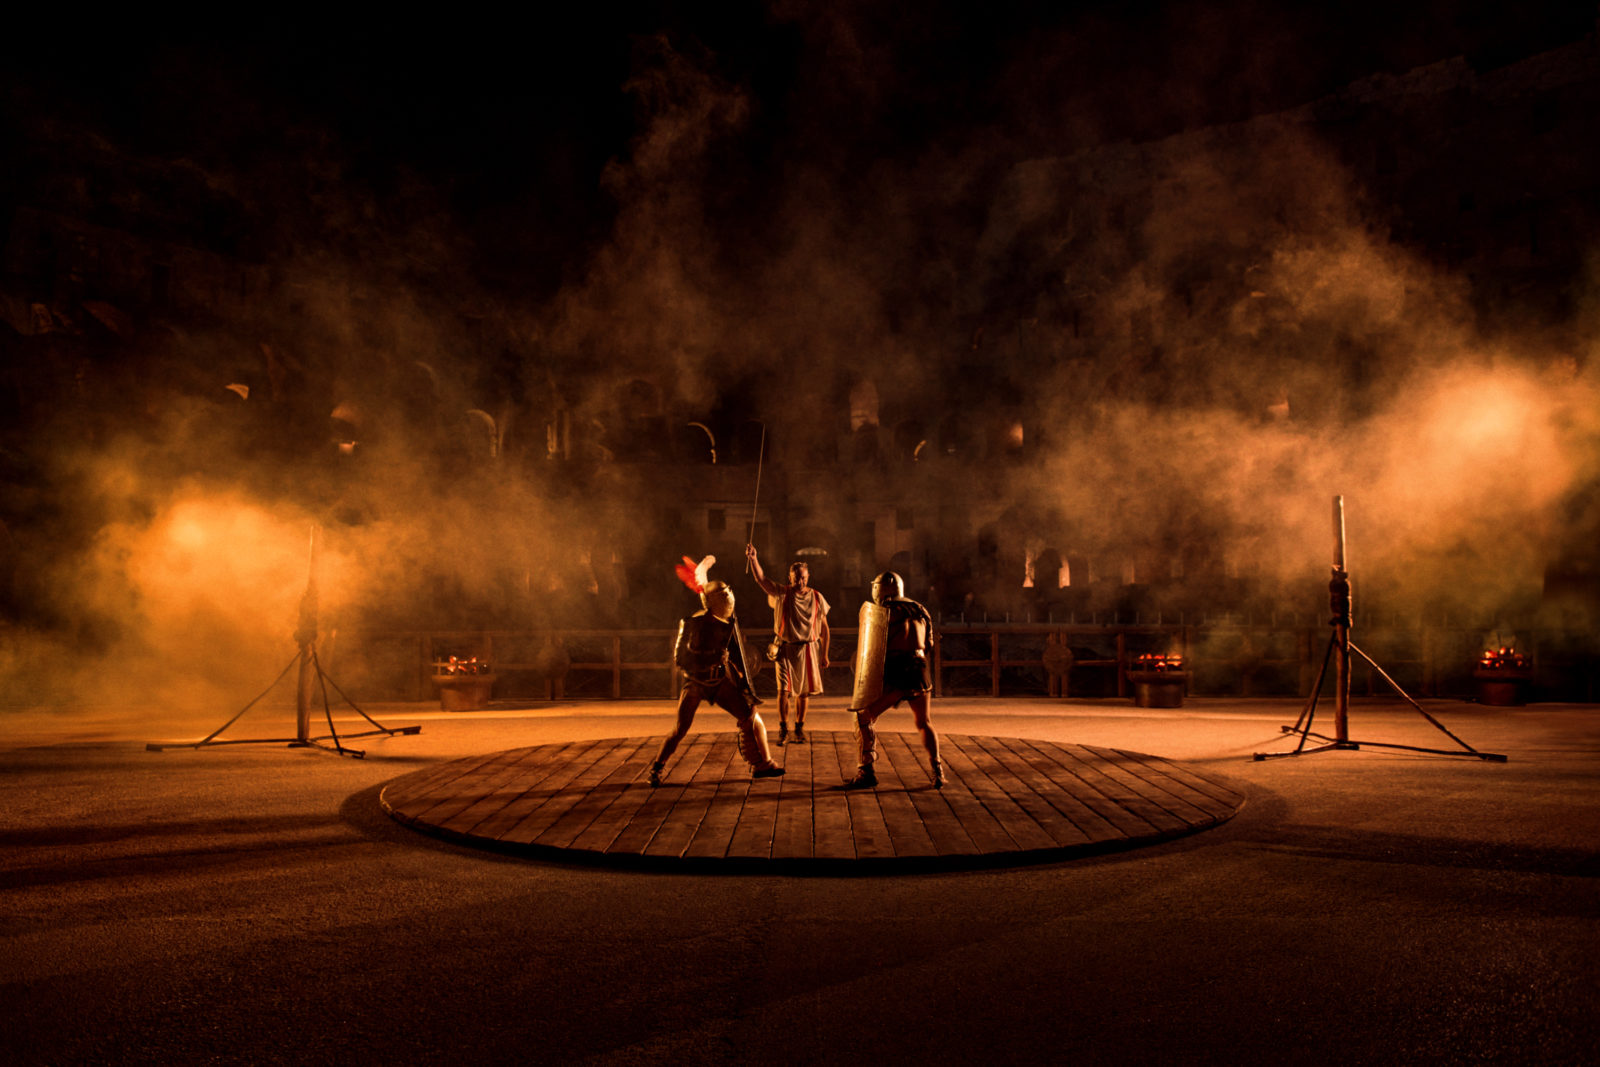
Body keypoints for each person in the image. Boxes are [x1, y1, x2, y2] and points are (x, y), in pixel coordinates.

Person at [649, 572, 785, 787]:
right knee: (680, 729)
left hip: (720, 681)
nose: (728, 596)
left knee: (750, 715)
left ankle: (762, 763)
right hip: (696, 682)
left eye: (728, 591)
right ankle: (657, 767)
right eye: (722, 593)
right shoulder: (692, 623)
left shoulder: (728, 623)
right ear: (711, 600)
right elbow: (680, 659)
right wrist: (711, 658)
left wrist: (742, 682)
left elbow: (736, 655)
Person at [843, 570, 943, 789]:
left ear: (882, 589)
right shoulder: (920, 609)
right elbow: (929, 645)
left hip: (899, 672)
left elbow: (875, 650)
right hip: (919, 669)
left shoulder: (882, 612)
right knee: (924, 722)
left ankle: (866, 771)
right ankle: (937, 771)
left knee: (863, 717)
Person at [745, 544, 831, 744]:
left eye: (803, 577)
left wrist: (824, 654)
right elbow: (761, 579)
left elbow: (825, 628)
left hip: (808, 648)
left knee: (803, 692)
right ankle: (783, 729)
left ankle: (799, 728)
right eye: (796, 577)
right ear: (790, 577)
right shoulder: (781, 593)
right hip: (785, 648)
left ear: (808, 577)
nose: (800, 581)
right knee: (783, 690)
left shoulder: (817, 597)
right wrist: (753, 559)